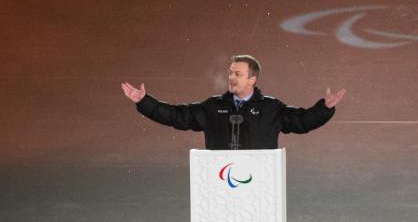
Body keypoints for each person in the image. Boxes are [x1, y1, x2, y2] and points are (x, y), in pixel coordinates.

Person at [121, 54, 345, 149]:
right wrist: (144, 101)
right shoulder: (213, 107)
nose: (231, 77)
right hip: (220, 178)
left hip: (259, 180)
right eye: (230, 73)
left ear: (252, 79)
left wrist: (324, 108)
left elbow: (301, 121)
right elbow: (178, 117)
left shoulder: (271, 108)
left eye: (237, 74)